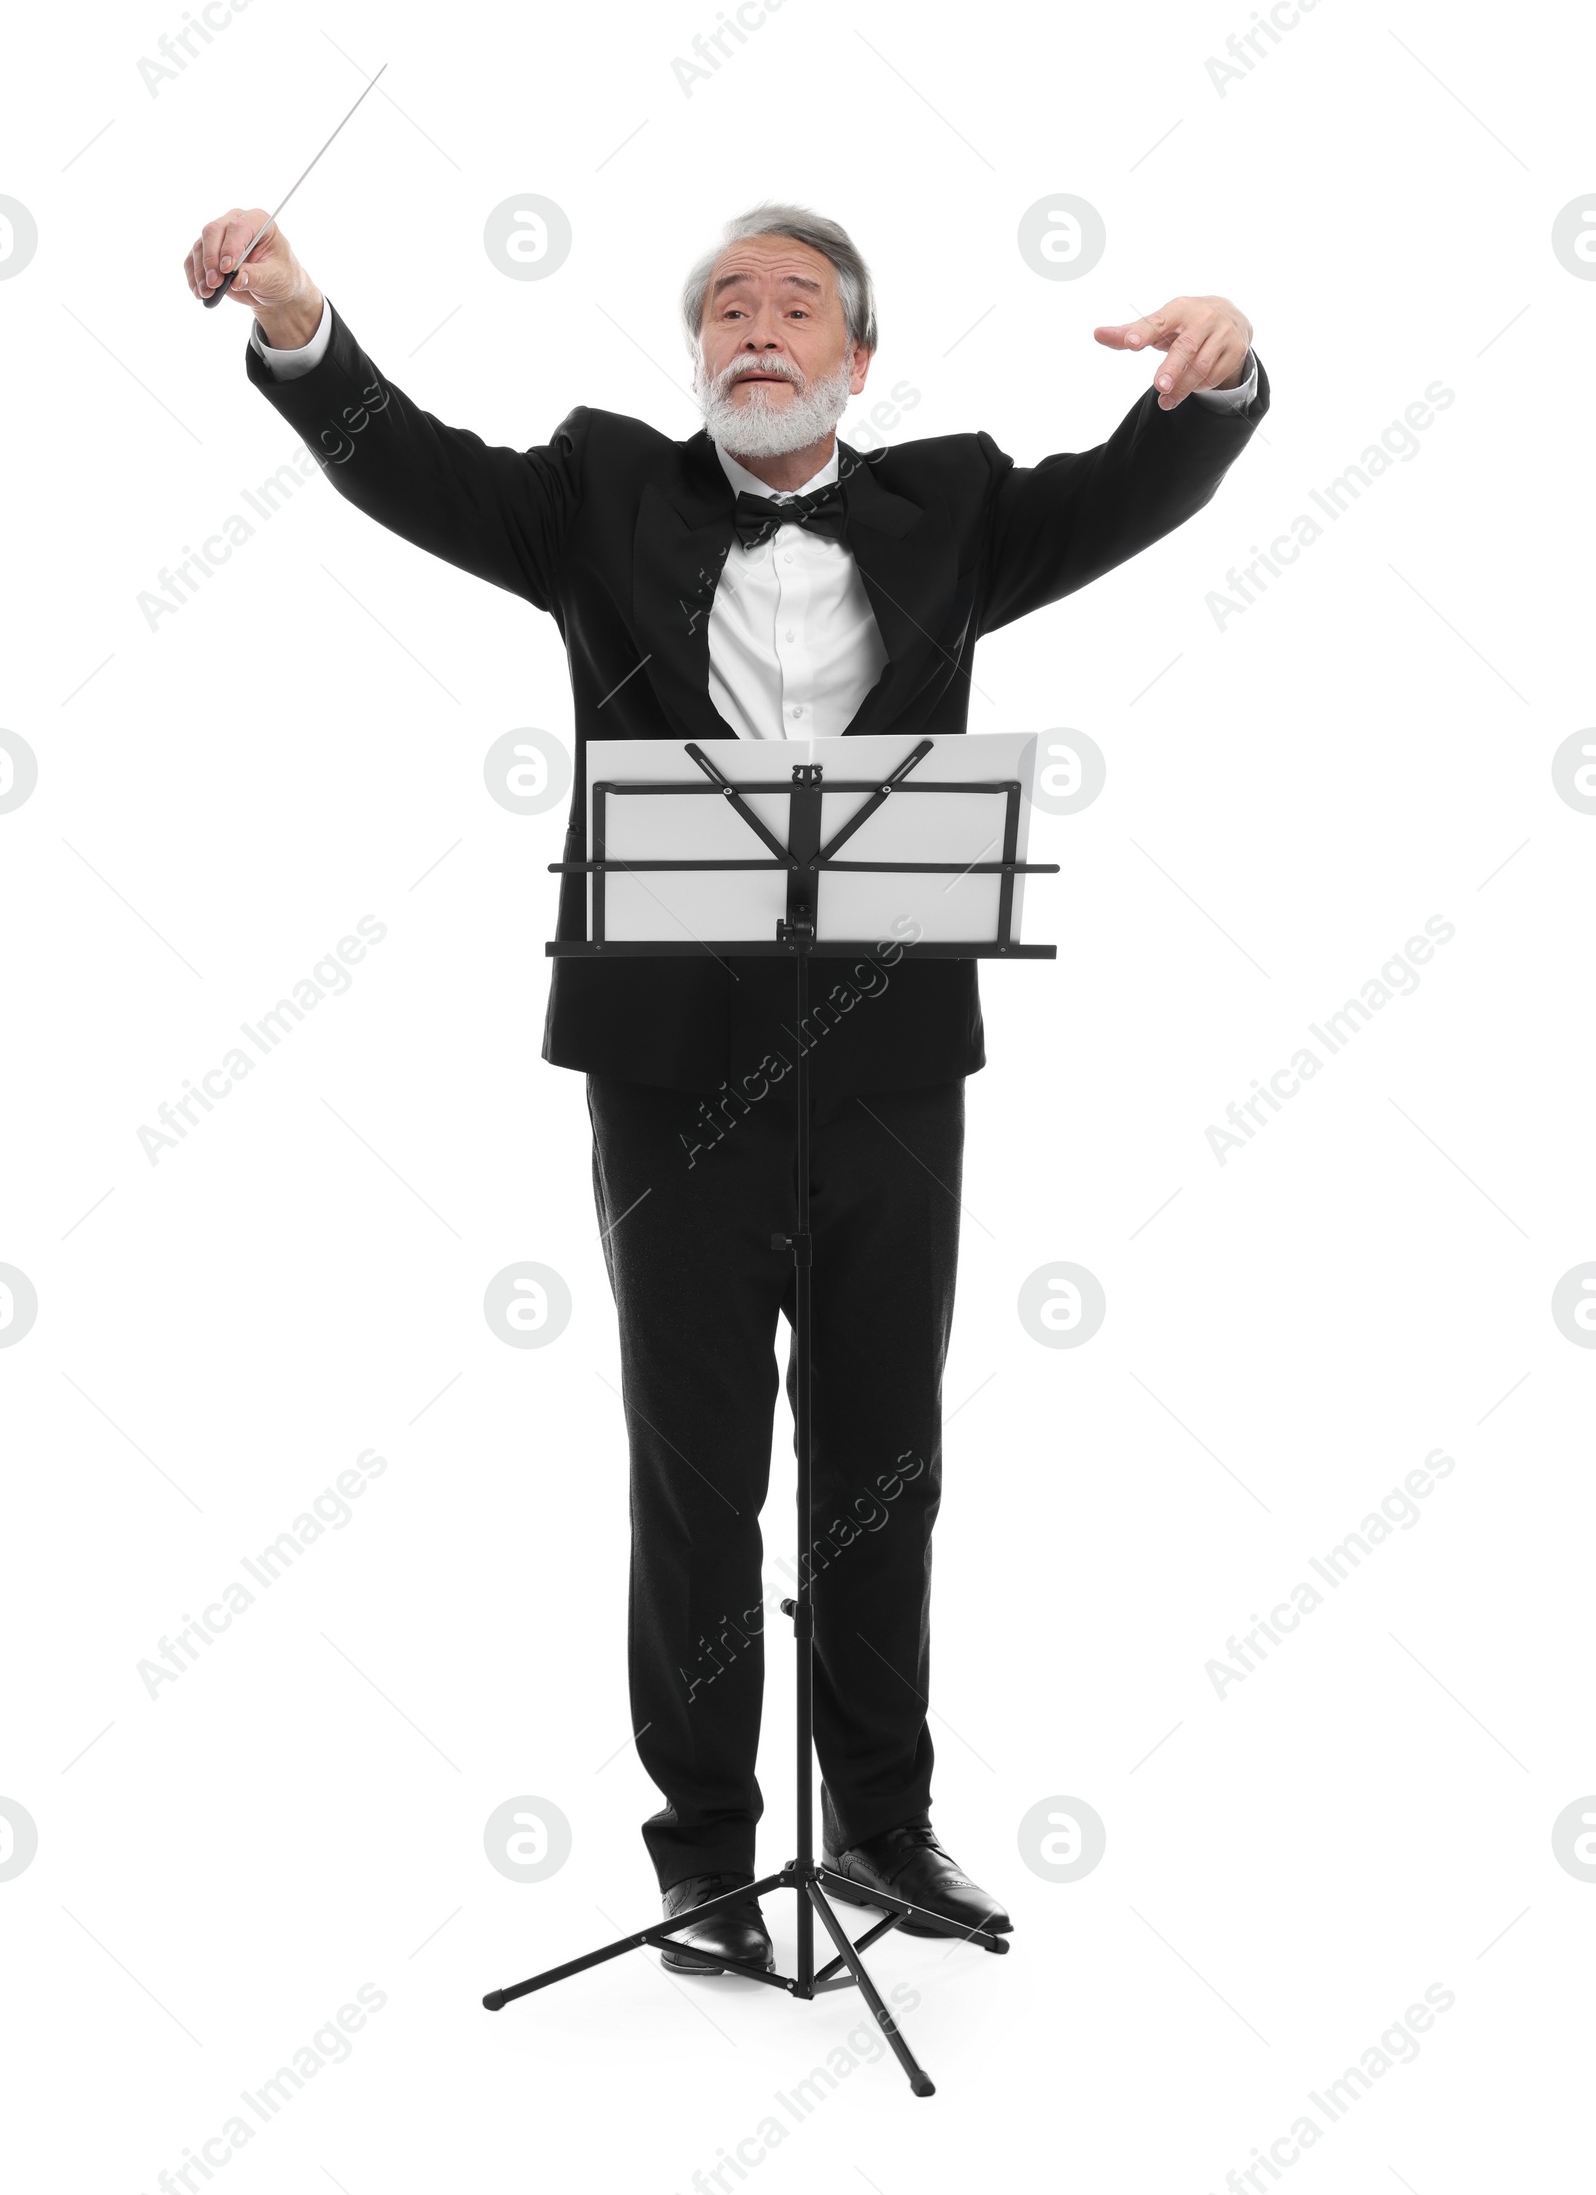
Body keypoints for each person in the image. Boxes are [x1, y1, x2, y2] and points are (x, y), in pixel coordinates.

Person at [185, 201, 1266, 1972]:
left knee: (882, 1461)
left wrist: (1213, 382)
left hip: (892, 1071)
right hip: (665, 1068)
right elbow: (412, 470)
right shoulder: (601, 494)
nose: (758, 331)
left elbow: (1135, 490)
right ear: (698, 357)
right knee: (697, 1474)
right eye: (728, 312)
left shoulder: (960, 504)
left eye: (799, 308)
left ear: (857, 360)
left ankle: (885, 1830)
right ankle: (703, 1854)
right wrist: (305, 326)